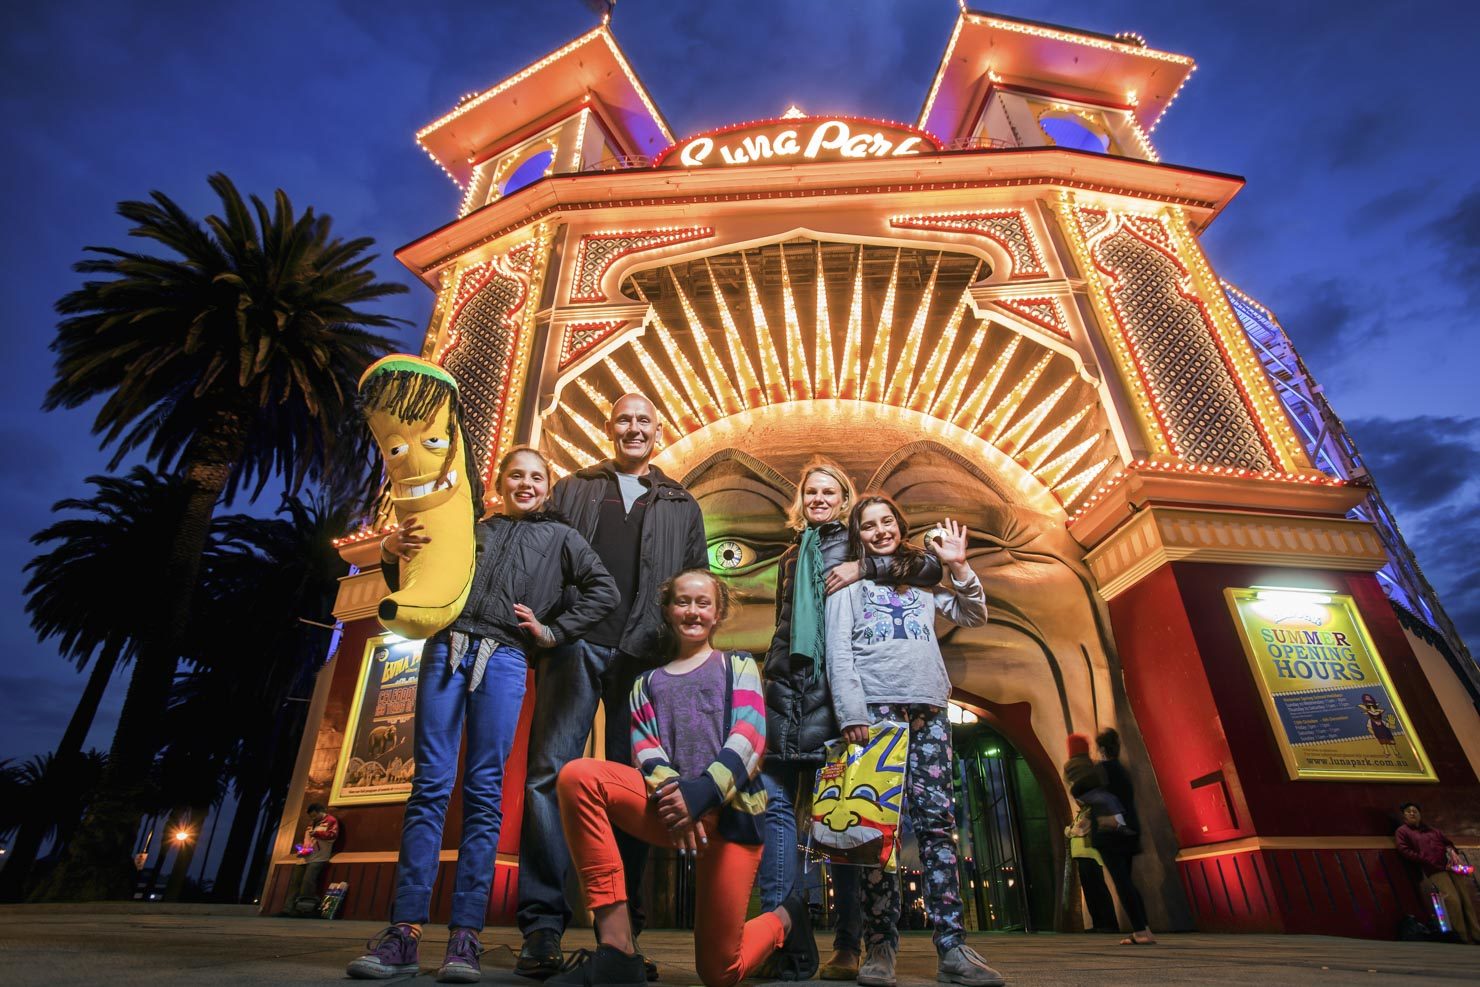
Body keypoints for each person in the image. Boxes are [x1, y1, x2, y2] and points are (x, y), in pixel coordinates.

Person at [347, 447, 618, 982]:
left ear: (548, 487)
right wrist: (388, 550)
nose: (526, 484)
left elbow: (603, 590)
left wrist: (552, 631)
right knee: (428, 786)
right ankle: (404, 934)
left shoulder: (563, 538)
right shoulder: (473, 528)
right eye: (516, 475)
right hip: (445, 652)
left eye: (536, 477)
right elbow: (417, 577)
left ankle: (465, 938)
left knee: (484, 791)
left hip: (507, 660)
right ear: (499, 482)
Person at [516, 393, 707, 979]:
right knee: (549, 774)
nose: (633, 428)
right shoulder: (573, 487)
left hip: (644, 656)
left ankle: (622, 935)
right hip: (574, 642)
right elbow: (530, 550)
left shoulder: (681, 501)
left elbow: (698, 578)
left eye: (644, 420)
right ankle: (542, 928)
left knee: (638, 785)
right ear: (609, 427)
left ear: (658, 430)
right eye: (624, 419)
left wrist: (685, 659)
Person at [549, 569, 816, 987]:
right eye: (682, 601)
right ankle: (618, 949)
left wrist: (704, 792)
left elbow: (749, 734)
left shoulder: (739, 665)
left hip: (731, 816)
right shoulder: (645, 683)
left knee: (719, 974)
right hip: (671, 809)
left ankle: (786, 918)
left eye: (703, 602)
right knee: (577, 777)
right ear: (669, 610)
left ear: (718, 612)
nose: (692, 610)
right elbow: (647, 751)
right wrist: (681, 796)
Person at [758, 458, 941, 980]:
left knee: (843, 821)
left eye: (828, 491)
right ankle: (783, 934)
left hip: (837, 695)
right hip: (787, 689)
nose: (818, 498)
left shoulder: (857, 543)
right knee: (777, 813)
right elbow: (782, 622)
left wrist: (866, 566)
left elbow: (925, 569)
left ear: (844, 499)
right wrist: (768, 675)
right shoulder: (793, 555)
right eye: (809, 491)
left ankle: (847, 943)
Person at [825, 496, 1005, 987]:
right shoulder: (848, 584)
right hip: (876, 712)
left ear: (899, 528)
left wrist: (959, 566)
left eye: (887, 522)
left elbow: (973, 614)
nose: (880, 531)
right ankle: (879, 947)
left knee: (937, 825)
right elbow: (839, 654)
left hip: (928, 706)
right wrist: (850, 714)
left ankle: (953, 947)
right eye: (868, 526)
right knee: (874, 829)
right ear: (857, 535)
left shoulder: (925, 583)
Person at [1063, 732, 1154, 945]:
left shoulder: (1100, 771)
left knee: (1122, 883)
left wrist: (1096, 802)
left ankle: (1140, 931)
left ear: (1100, 749)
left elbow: (1078, 788)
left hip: (1109, 833)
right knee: (1128, 881)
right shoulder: (1123, 771)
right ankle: (1145, 928)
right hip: (1130, 830)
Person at [1396, 802, 1480, 943]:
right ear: (1404, 815)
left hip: (1452, 867)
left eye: (1415, 810)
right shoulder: (1402, 831)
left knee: (1465, 899)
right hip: (1434, 870)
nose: (1412, 813)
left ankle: (1477, 934)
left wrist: (1451, 851)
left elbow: (1448, 843)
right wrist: (1424, 859)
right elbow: (1404, 850)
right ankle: (1462, 937)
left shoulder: (1432, 830)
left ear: (1419, 814)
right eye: (1408, 811)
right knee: (1452, 901)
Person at [299, 803, 339, 910]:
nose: (313, 818)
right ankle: (289, 908)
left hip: (320, 856)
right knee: (296, 881)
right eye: (311, 816)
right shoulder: (312, 823)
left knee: (309, 880)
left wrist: (317, 834)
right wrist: (303, 848)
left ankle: (307, 906)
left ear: (321, 812)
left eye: (314, 815)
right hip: (307, 856)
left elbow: (332, 835)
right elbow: (308, 839)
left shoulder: (331, 820)